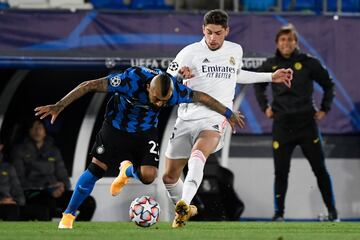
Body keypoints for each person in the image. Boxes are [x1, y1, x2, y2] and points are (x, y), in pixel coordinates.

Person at [34, 66, 246, 229]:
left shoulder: (173, 90)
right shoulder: (129, 80)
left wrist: (229, 113)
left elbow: (202, 97)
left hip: (144, 133)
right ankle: (69, 215)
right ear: (147, 87)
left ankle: (127, 170)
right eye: (156, 99)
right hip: (115, 128)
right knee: (96, 169)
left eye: (165, 101)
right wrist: (59, 105)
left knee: (148, 177)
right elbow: (88, 85)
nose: (160, 104)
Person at [162, 9, 293, 228]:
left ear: (227, 31)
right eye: (209, 32)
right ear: (203, 29)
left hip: (216, 116)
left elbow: (236, 73)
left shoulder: (235, 50)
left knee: (198, 153)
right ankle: (184, 212)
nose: (213, 38)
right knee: (169, 178)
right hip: (186, 118)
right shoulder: (188, 52)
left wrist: (271, 76)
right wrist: (179, 76)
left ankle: (184, 201)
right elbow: (164, 81)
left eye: (218, 33)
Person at [254, 24, 338, 221]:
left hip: (307, 125)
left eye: (290, 39)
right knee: (281, 173)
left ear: (296, 43)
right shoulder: (271, 64)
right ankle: (279, 215)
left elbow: (329, 85)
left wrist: (325, 108)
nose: (286, 43)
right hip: (282, 126)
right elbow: (258, 85)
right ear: (277, 43)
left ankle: (333, 213)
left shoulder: (308, 62)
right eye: (282, 40)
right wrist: (264, 107)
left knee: (320, 170)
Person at [10, 119, 96, 221]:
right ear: (29, 131)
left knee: (88, 202)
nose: (37, 130)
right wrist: (47, 188)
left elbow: (62, 174)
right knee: (48, 204)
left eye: (40, 127)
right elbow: (19, 180)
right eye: (34, 128)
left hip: (55, 191)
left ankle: (75, 233)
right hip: (33, 193)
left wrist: (62, 187)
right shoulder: (19, 150)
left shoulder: (53, 150)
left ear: (45, 131)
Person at [0, 142, 25, 221]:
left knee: (41, 211)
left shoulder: (8, 167)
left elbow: (17, 190)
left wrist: (14, 201)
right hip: (3, 203)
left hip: (9, 203)